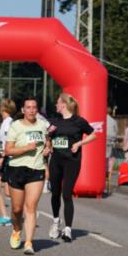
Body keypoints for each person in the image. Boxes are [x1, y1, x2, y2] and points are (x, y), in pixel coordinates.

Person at [47, 93, 97, 242]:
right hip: (56, 161)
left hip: (72, 161)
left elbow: (93, 135)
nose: (56, 105)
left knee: (67, 194)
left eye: (57, 102)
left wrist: (79, 144)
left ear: (63, 104)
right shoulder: (54, 121)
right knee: (55, 193)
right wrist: (48, 138)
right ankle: (56, 222)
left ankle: (68, 229)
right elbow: (48, 138)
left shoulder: (78, 121)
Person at [4, 97, 50, 254]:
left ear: (37, 110)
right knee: (17, 209)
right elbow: (8, 150)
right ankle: (17, 229)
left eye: (34, 107)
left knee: (31, 207)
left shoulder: (42, 125)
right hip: (17, 169)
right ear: (23, 110)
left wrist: (47, 149)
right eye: (28, 107)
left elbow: (47, 142)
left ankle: (29, 243)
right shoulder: (15, 126)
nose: (31, 110)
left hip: (36, 169)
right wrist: (26, 148)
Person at [0, 99, 16, 226]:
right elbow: (0, 142)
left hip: (7, 159)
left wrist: (3, 157)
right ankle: (5, 216)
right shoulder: (4, 123)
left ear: (3, 108)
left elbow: (9, 143)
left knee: (9, 192)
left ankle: (22, 211)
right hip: (2, 158)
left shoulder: (8, 123)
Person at [106, 107, 119, 194]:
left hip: (102, 140)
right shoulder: (113, 121)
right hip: (110, 141)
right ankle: (108, 172)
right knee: (108, 158)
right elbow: (116, 131)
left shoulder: (102, 119)